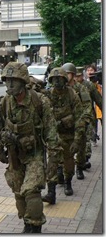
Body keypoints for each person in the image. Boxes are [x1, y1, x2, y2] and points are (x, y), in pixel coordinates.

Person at [0, 62, 61, 233]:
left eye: (13, 81)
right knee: (18, 193)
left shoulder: (40, 102)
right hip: (14, 156)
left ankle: (36, 228)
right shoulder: (4, 103)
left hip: (34, 154)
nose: (9, 85)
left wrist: (54, 159)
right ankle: (27, 224)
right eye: (6, 80)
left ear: (23, 81)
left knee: (31, 191)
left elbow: (51, 132)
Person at [44, 67, 85, 197]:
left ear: (64, 80)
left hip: (68, 134)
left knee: (68, 159)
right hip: (53, 134)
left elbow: (79, 118)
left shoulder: (72, 95)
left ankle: (68, 181)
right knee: (52, 160)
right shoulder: (48, 95)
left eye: (59, 79)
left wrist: (77, 140)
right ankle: (51, 191)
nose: (57, 82)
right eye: (54, 79)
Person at [62, 63, 93, 180]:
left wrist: (84, 121)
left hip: (79, 123)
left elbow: (87, 106)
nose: (65, 76)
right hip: (65, 124)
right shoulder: (62, 89)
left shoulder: (81, 88)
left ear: (73, 75)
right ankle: (63, 173)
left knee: (81, 149)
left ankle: (79, 167)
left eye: (68, 73)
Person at [74, 66, 102, 169]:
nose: (78, 78)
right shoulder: (70, 87)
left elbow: (99, 100)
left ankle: (84, 160)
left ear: (83, 75)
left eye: (79, 76)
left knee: (86, 139)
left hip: (88, 117)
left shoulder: (89, 85)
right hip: (73, 118)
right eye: (76, 76)